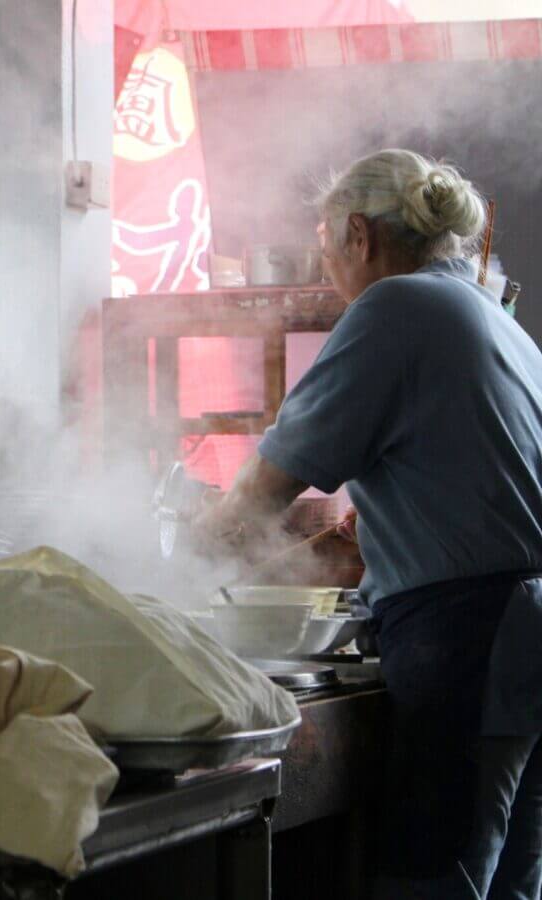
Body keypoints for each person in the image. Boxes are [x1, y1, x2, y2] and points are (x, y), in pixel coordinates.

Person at [196, 149, 542, 899]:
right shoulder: (488, 311)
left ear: (358, 234)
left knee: (434, 878)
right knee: (511, 879)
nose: (330, 279)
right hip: (522, 632)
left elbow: (264, 487)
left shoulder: (397, 306)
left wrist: (171, 568)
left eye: (326, 254)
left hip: (475, 634)